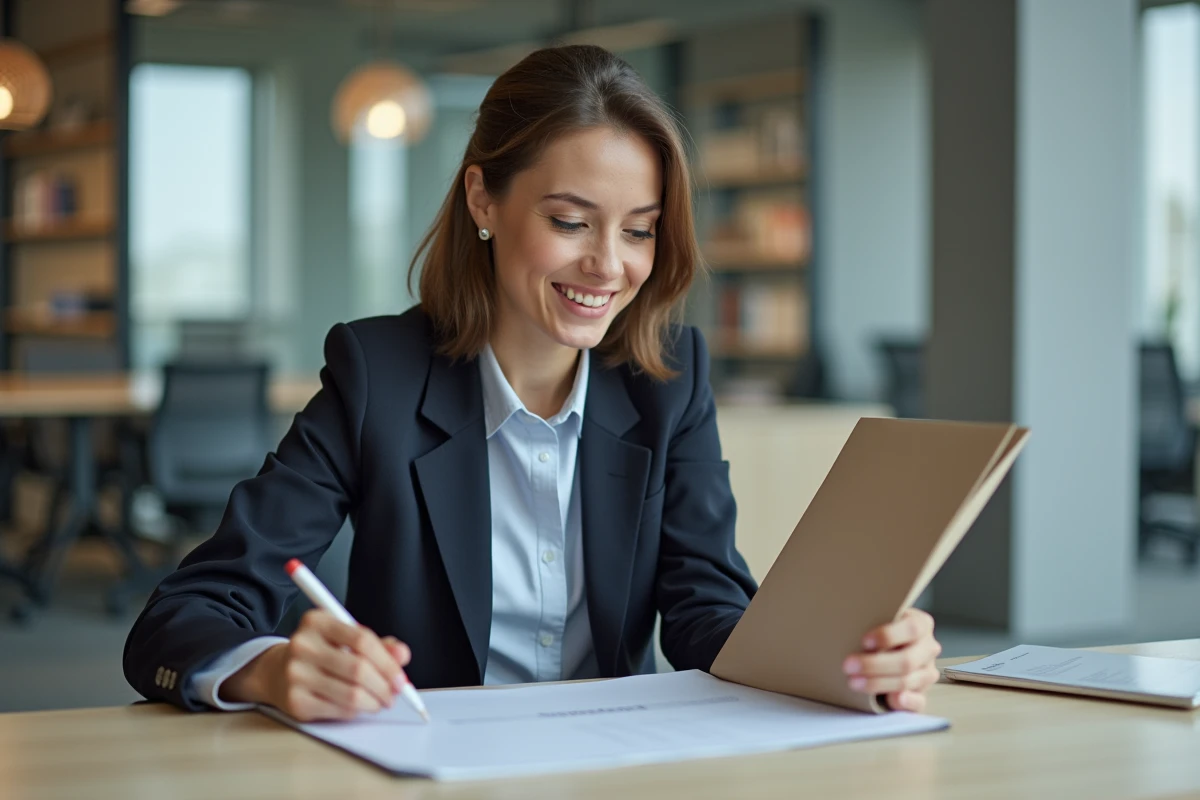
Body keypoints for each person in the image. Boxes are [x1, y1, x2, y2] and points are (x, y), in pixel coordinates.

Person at [123, 44, 941, 721]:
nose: (608, 266)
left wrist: (844, 661)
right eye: (570, 221)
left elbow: (706, 614)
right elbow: (184, 615)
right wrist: (270, 669)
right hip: (431, 766)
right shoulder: (378, 376)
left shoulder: (668, 380)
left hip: (613, 770)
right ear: (483, 198)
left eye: (639, 231)